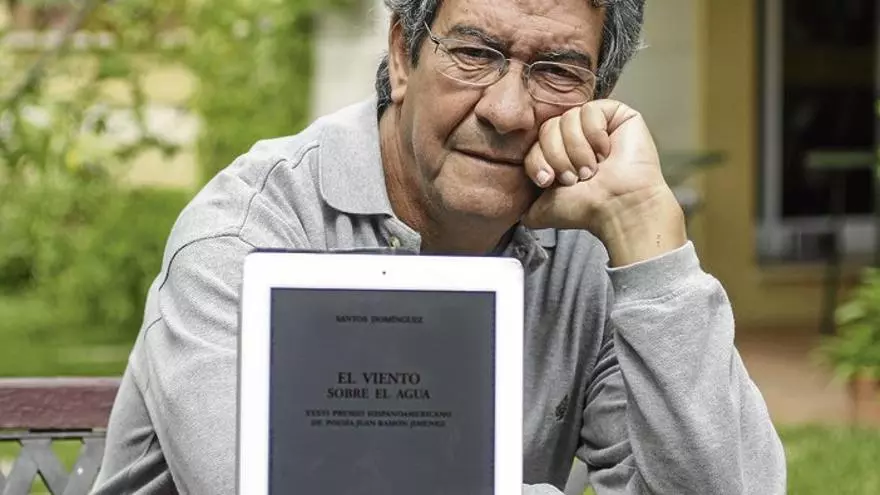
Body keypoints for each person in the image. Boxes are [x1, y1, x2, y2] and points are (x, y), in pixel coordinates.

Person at [91, 0, 787, 493]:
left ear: (597, 98)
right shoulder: (249, 236)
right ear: (403, 55)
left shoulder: (585, 252)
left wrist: (648, 238)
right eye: (475, 55)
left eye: (556, 70)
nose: (508, 111)